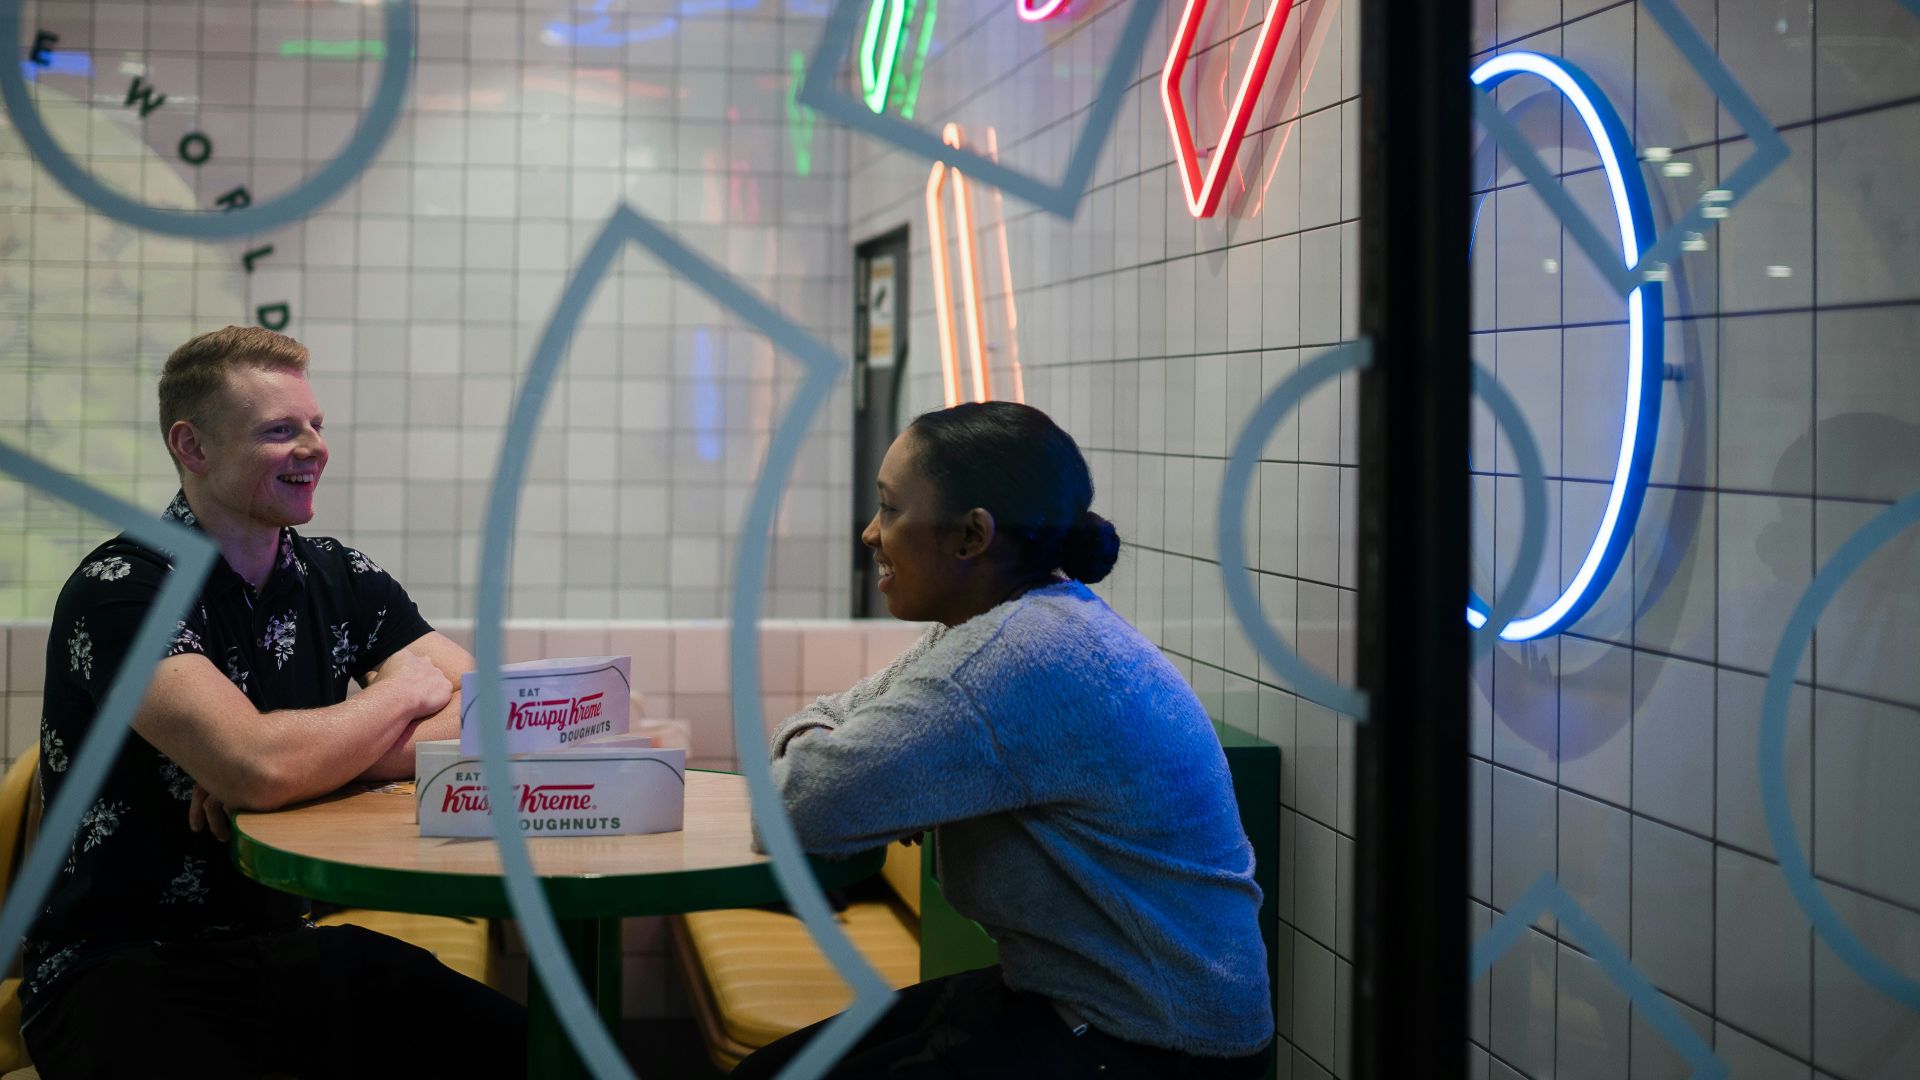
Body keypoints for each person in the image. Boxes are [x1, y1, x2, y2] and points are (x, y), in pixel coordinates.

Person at [23, 326, 525, 1078]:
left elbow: (492, 707)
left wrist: (304, 768)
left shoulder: (339, 575)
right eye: (280, 430)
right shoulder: (123, 589)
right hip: (121, 967)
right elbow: (257, 768)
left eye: (316, 426)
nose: (313, 447)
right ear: (192, 447)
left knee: (527, 1052)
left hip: (285, 947)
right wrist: (387, 704)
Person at [735, 402, 1273, 1079]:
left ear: (971, 536)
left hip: (1150, 1045)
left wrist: (850, 769)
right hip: (1082, 1004)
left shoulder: (1017, 658)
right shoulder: (1011, 622)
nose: (871, 534)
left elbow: (786, 808)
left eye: (891, 509)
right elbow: (825, 729)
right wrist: (846, 761)